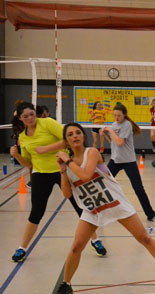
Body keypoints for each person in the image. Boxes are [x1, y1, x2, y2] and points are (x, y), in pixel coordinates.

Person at [52, 123, 155, 294]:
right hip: (92, 208)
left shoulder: (92, 153)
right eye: (70, 134)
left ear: (83, 136)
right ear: (66, 141)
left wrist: (67, 162)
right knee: (76, 247)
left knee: (144, 238)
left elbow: (85, 175)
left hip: (115, 202)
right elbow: (67, 193)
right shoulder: (68, 164)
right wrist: (62, 170)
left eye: (77, 133)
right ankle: (66, 285)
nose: (75, 136)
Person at [10, 102, 105, 263]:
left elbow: (69, 139)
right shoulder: (23, 136)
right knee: (36, 212)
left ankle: (95, 241)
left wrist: (46, 149)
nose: (30, 118)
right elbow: (28, 163)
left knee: (80, 206)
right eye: (26, 116)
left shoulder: (47, 123)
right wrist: (18, 156)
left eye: (32, 114)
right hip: (40, 174)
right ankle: (22, 248)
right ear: (20, 119)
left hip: (63, 169)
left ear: (36, 114)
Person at [100, 103, 155, 222]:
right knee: (103, 184)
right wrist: (106, 135)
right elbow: (113, 142)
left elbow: (120, 143)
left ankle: (151, 214)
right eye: (114, 115)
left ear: (124, 115)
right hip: (115, 160)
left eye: (118, 115)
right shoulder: (113, 125)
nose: (116, 118)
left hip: (128, 161)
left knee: (138, 188)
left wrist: (110, 130)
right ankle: (101, 212)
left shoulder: (126, 125)